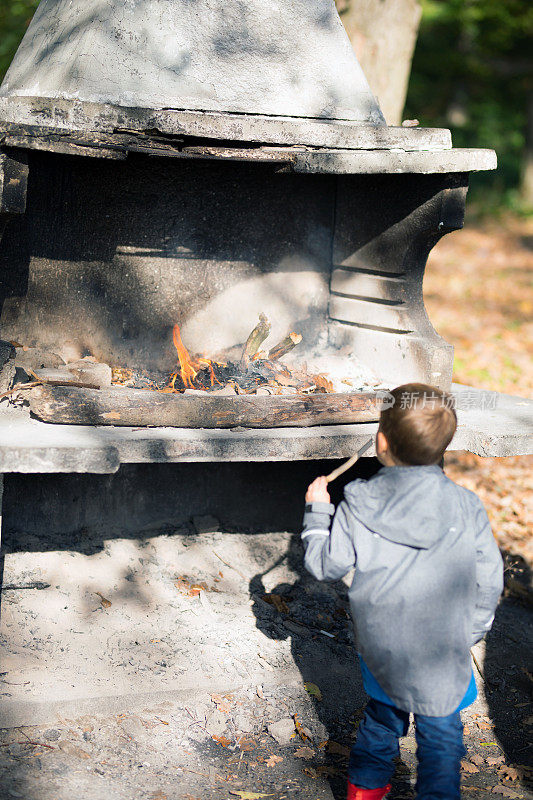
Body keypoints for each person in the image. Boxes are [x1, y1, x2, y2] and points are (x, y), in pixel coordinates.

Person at [302, 383, 503, 800]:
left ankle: (364, 794)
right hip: (444, 646)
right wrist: (475, 629)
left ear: (381, 441)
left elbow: (325, 565)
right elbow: (490, 577)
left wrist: (318, 511)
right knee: (443, 737)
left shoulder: (356, 499)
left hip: (382, 646)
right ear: (444, 445)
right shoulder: (466, 507)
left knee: (380, 723)